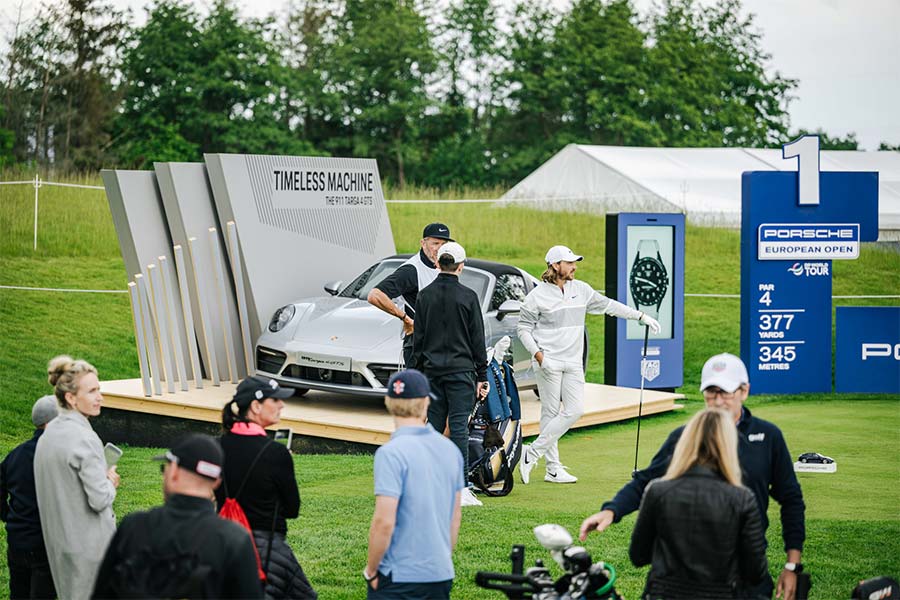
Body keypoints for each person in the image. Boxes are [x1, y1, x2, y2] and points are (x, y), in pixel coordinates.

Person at [580, 353, 806, 600]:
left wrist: (791, 565)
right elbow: (646, 481)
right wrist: (612, 510)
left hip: (740, 575)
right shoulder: (685, 437)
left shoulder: (768, 437)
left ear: (744, 391)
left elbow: (791, 500)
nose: (718, 401)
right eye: (711, 392)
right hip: (681, 576)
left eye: (726, 392)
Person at [517, 245, 660, 484]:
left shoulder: (581, 290)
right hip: (548, 361)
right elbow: (523, 328)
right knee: (550, 413)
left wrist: (640, 316)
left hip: (573, 362)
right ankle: (553, 469)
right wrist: (539, 355)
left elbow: (609, 306)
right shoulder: (537, 296)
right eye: (569, 262)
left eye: (575, 262)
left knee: (575, 410)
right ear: (555, 265)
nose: (574, 267)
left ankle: (532, 452)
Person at [92, 434, 264, 599]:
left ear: (173, 470)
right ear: (216, 482)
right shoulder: (235, 540)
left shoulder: (134, 527)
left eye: (164, 468)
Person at [629, 408, 768, 599]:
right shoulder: (742, 498)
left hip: (664, 593)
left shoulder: (658, 491)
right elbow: (755, 571)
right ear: (729, 445)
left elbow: (638, 555)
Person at [364, 369, 464, 599]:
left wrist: (371, 570)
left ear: (389, 402)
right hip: (439, 573)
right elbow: (454, 517)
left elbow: (384, 522)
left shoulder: (390, 453)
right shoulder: (450, 450)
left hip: (399, 575)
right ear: (426, 401)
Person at [216, 375, 317, 599]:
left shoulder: (216, 447)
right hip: (268, 553)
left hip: (223, 545)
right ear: (256, 406)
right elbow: (292, 509)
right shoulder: (276, 453)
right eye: (275, 400)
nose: (281, 405)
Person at [34, 356, 119, 600]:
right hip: (91, 550)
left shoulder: (47, 437)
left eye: (99, 389)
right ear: (71, 398)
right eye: (92, 391)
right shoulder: (85, 437)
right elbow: (99, 498)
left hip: (60, 545)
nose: (100, 397)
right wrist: (110, 481)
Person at [410, 241, 489, 507]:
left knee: (432, 428)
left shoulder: (424, 295)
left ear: (437, 264)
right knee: (458, 428)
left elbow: (417, 341)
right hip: (461, 372)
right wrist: (483, 375)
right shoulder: (468, 297)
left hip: (431, 372)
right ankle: (460, 487)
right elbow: (477, 340)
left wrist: (415, 375)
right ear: (461, 266)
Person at [368, 222, 453, 366]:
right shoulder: (411, 270)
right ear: (423, 243)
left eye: (443, 244)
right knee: (419, 388)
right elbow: (375, 295)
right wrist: (406, 319)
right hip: (419, 346)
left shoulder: (443, 266)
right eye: (435, 243)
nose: (439, 248)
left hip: (441, 344)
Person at [1, 395, 59, 600]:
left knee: (19, 593)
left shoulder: (14, 455)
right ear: (52, 422)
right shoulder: (57, 455)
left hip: (17, 540)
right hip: (46, 543)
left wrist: (8, 516)